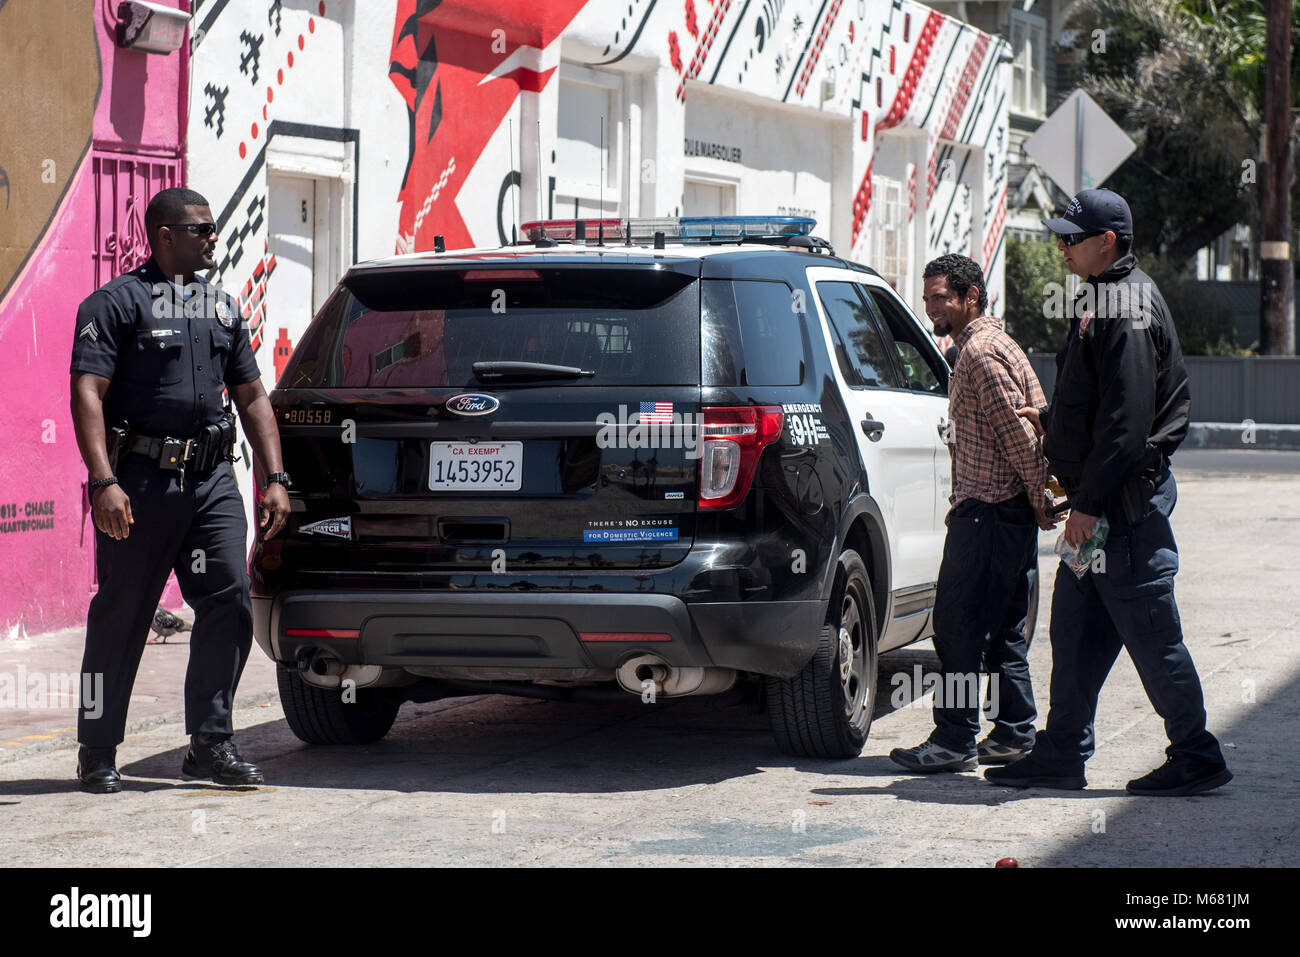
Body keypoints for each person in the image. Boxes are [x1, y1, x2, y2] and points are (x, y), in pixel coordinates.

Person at [988, 188, 1232, 796]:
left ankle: (1197, 755)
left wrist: (1089, 504)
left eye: (1072, 238)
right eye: (1060, 236)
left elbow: (1127, 426)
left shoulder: (1130, 305)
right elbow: (1098, 404)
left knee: (1152, 637)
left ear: (1108, 242)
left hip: (1116, 517)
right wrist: (1054, 427)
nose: (1061, 247)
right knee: (1072, 633)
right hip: (1091, 520)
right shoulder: (1100, 297)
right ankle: (1061, 753)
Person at [69, 187, 291, 793]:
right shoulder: (115, 304)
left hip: (213, 480)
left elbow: (251, 397)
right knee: (121, 615)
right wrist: (103, 482)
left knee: (229, 601)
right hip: (139, 483)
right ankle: (96, 747)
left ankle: (210, 743)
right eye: (202, 229)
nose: (213, 238)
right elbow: (87, 391)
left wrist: (274, 478)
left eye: (214, 228)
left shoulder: (221, 308)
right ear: (164, 234)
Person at [890, 254, 1057, 774]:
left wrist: (1037, 493)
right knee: (1005, 626)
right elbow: (1037, 411)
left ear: (971, 298)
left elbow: (1019, 433)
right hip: (1003, 513)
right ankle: (1012, 734)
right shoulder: (1001, 343)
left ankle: (955, 737)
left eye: (941, 297)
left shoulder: (978, 355)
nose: (931, 307)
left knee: (957, 628)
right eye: (928, 297)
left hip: (988, 510)